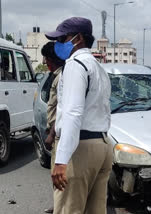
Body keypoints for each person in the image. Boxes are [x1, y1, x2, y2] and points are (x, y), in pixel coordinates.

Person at [45, 17, 113, 214]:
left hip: (80, 149)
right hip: (102, 145)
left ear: (78, 38)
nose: (58, 44)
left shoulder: (76, 65)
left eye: (62, 39)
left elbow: (73, 113)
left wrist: (61, 160)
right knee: (96, 210)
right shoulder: (98, 68)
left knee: (69, 209)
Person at [41, 42, 65, 214]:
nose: (44, 61)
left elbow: (62, 108)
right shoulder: (55, 75)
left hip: (59, 134)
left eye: (45, 58)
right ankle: (59, 205)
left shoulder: (62, 77)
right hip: (56, 131)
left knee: (58, 174)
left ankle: (61, 207)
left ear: (51, 59)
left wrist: (51, 134)